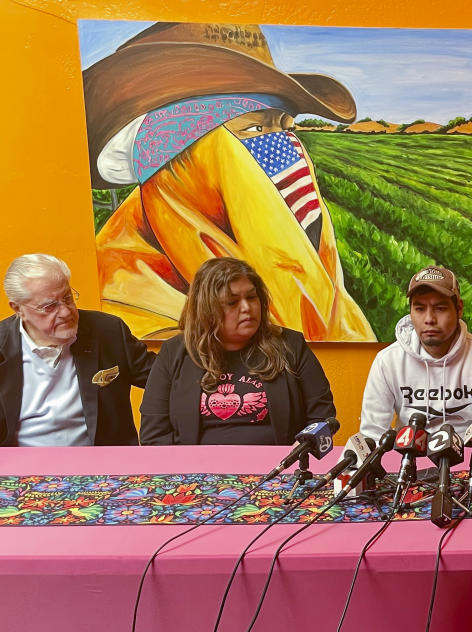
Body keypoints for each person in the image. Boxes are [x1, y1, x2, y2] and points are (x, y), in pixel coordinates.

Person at [85, 22, 374, 341]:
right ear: (183, 163)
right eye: (254, 130)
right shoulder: (124, 297)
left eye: (285, 127)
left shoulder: (327, 286)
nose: (285, 147)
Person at [139, 257, 335, 445]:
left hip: (280, 472)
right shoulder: (173, 353)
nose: (246, 308)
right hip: (193, 474)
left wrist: (299, 457)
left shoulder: (291, 346)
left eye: (251, 297)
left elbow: (323, 419)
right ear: (206, 310)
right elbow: (154, 436)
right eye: (232, 302)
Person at [0, 254, 154, 446]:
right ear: (18, 309)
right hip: (21, 468)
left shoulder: (108, 331)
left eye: (67, 298)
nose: (65, 312)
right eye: (49, 306)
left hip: (103, 464)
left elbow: (164, 380)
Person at [359, 265, 472, 440]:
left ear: (459, 309)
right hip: (409, 458)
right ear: (411, 311)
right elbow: (372, 435)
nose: (429, 319)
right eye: (420, 309)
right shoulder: (387, 361)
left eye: (440, 308)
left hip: (469, 460)